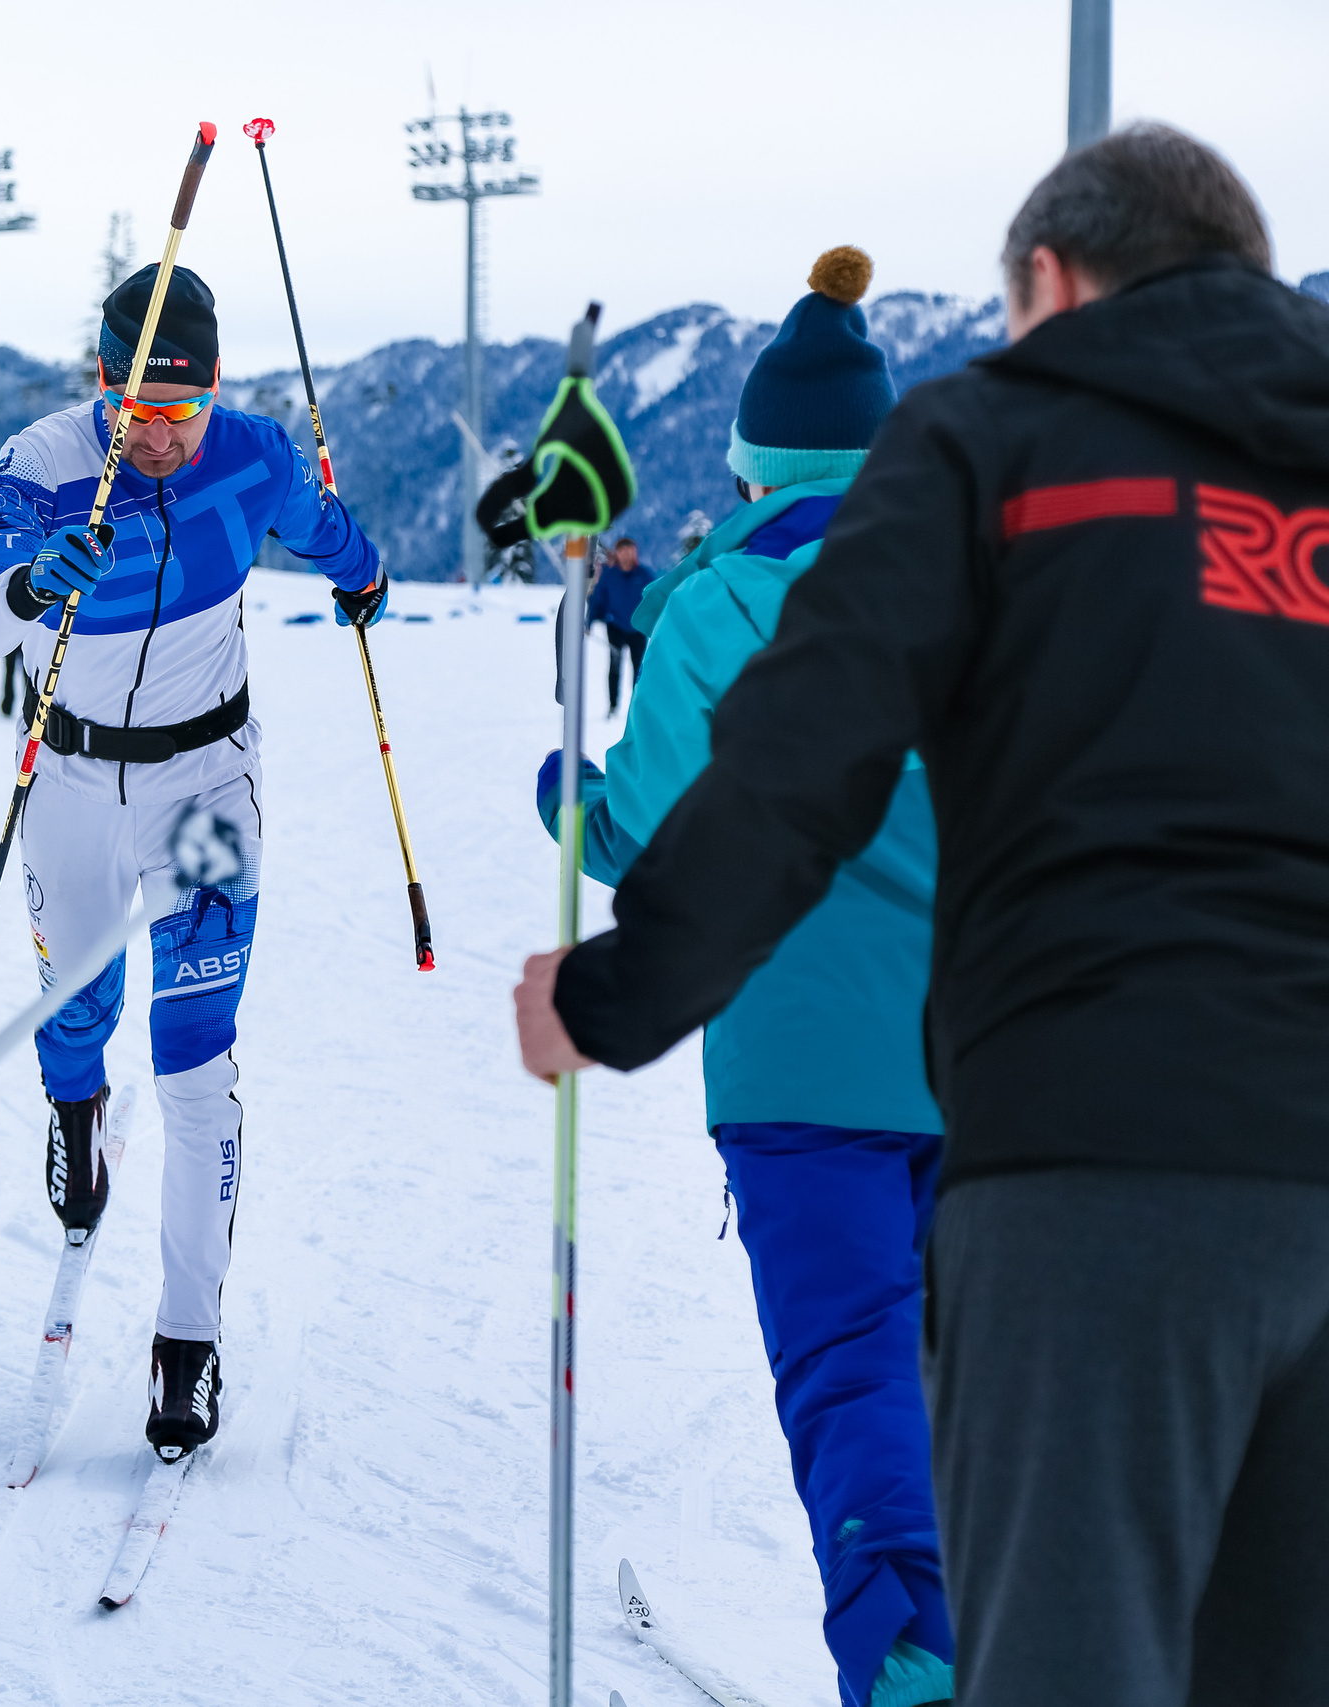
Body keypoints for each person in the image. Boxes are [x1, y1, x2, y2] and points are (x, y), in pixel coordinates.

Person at [515, 126, 1329, 1707]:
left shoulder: (980, 464)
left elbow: (768, 779)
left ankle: (906, 1651)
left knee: (874, 1390)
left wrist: (610, 967)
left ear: (1044, 281)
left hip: (1004, 1104)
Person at [535, 249, 952, 1707]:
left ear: (754, 459)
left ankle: (910, 1656)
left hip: (798, 1066)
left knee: (855, 1374)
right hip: (992, 1057)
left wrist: (567, 797)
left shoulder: (716, 603)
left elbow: (649, 835)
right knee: (982, 1385)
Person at [0, 261, 386, 1460]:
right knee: (78, 1008)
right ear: (103, 389)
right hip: (74, 779)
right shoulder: (44, 467)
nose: (163, 440)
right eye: (140, 416)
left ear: (215, 396)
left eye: (184, 415)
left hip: (204, 786)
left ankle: (187, 1345)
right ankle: (72, 1106)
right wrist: (32, 585)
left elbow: (325, 532)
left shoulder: (251, 454)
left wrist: (364, 576)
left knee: (193, 1062)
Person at [585, 536, 655, 715]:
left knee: (638, 668)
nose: (627, 556)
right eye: (623, 552)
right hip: (615, 626)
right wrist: (589, 622)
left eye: (630, 552)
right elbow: (597, 600)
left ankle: (636, 706)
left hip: (638, 628)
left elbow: (657, 598)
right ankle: (613, 705)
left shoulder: (645, 574)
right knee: (615, 666)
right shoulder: (609, 574)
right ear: (618, 553)